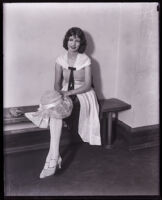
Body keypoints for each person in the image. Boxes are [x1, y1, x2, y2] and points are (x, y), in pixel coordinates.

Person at [39, 27, 101, 179]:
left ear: (81, 43)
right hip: (66, 90)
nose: (73, 43)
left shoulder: (85, 60)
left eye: (77, 40)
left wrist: (69, 93)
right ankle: (54, 157)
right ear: (66, 41)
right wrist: (59, 94)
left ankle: (52, 158)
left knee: (57, 111)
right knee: (55, 109)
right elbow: (56, 83)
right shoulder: (60, 60)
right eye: (71, 39)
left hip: (84, 94)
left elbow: (87, 85)